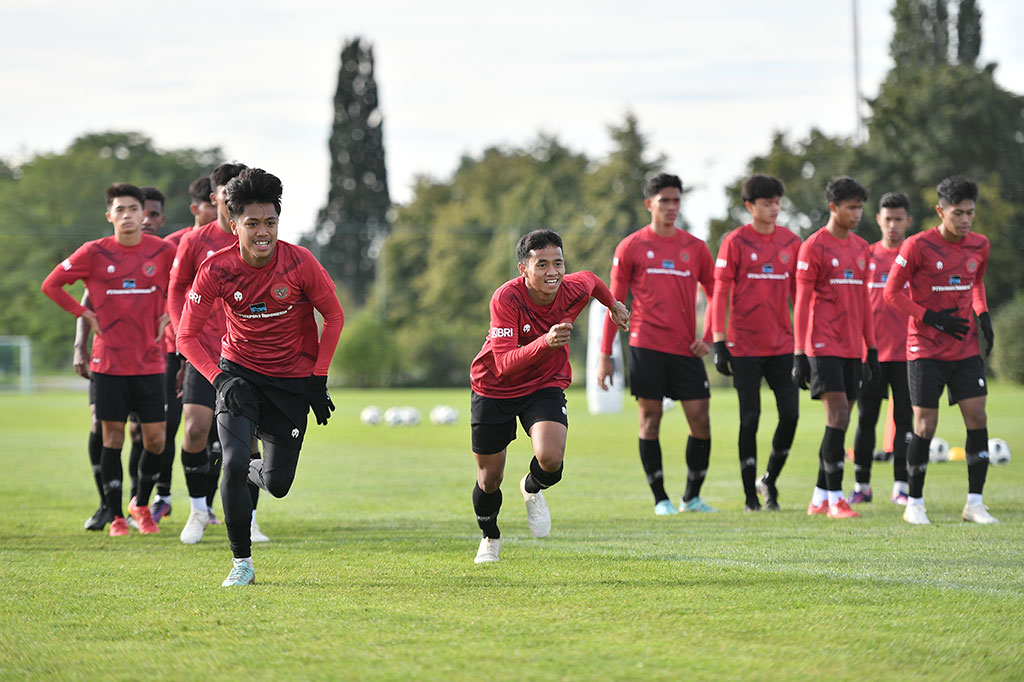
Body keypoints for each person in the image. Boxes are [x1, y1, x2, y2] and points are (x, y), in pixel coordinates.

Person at [177, 168, 344, 586]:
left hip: (290, 383)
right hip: (240, 376)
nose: (263, 232)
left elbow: (335, 316)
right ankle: (242, 564)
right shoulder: (217, 268)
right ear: (234, 225)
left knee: (278, 484)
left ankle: (245, 464)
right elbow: (186, 336)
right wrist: (219, 380)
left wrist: (317, 379)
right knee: (233, 464)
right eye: (252, 223)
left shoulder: (300, 262)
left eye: (270, 222)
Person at [470, 229, 629, 563]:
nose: (553, 272)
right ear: (523, 269)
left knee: (551, 459)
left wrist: (613, 305)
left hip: (544, 382)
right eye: (541, 264)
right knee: (489, 478)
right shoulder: (506, 299)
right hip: (494, 386)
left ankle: (531, 487)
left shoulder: (573, 286)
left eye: (558, 263)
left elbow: (593, 281)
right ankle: (490, 537)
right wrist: (545, 341)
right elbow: (503, 362)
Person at [42, 183, 176, 536]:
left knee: (156, 440)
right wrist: (83, 314)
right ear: (110, 216)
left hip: (150, 361)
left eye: (135, 209)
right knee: (112, 437)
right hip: (109, 364)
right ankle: (116, 516)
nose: (129, 215)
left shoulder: (163, 251)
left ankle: (141, 505)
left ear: (143, 214)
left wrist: (171, 314)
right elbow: (51, 284)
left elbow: (189, 283)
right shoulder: (93, 252)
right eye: (121, 209)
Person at [597, 173, 716, 516]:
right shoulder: (631, 246)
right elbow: (614, 302)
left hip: (686, 349)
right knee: (649, 420)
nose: (672, 207)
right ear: (650, 204)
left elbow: (715, 293)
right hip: (646, 346)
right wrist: (605, 355)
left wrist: (708, 336)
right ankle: (660, 499)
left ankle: (692, 498)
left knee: (701, 420)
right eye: (665, 200)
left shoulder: (695, 247)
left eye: (677, 200)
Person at [883, 175, 997, 525]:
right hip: (924, 349)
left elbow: (976, 282)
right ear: (940, 211)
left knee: (977, 418)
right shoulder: (917, 245)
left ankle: (974, 503)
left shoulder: (980, 245)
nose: (965, 220)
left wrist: (983, 313)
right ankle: (914, 503)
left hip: (964, 348)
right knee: (925, 425)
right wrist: (930, 317)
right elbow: (892, 292)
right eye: (958, 213)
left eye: (970, 213)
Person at [169, 163, 269, 545]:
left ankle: (252, 519)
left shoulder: (259, 236)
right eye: (228, 195)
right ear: (216, 199)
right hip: (205, 353)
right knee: (194, 429)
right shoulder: (194, 242)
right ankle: (198, 510)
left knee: (251, 441)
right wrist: (183, 336)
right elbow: (176, 290)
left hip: (248, 355)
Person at [711, 174, 801, 511]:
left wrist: (803, 345)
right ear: (750, 206)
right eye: (767, 203)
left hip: (783, 346)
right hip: (744, 347)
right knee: (750, 419)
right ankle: (750, 494)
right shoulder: (735, 242)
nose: (774, 208)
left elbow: (801, 300)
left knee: (790, 415)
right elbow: (720, 294)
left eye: (777, 202)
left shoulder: (793, 243)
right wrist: (719, 341)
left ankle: (770, 480)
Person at [792, 176, 878, 520]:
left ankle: (818, 496)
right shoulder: (813, 246)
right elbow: (800, 303)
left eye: (860, 207)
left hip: (851, 348)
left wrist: (870, 348)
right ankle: (836, 501)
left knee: (839, 423)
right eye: (851, 207)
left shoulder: (861, 248)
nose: (857, 213)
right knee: (838, 415)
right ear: (833, 207)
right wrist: (800, 352)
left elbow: (864, 302)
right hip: (821, 344)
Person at [149, 176, 217, 522]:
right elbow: (165, 293)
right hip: (180, 349)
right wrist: (179, 339)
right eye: (213, 200)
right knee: (169, 426)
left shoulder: (247, 240)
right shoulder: (177, 244)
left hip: (224, 350)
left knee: (219, 435)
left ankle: (211, 507)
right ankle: (161, 496)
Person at [850, 192, 914, 506]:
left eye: (898, 219)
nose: (892, 225)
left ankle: (901, 486)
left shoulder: (916, 257)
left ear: (908, 221)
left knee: (905, 421)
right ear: (878, 220)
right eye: (887, 219)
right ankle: (862, 485)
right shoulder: (866, 255)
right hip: (870, 354)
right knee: (865, 420)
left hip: (908, 355)